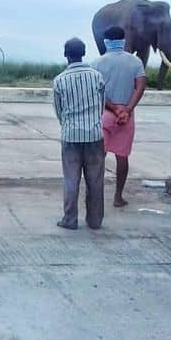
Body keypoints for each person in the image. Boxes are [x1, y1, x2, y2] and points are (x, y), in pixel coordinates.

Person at [53, 38, 106, 230]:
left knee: (71, 180)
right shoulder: (97, 76)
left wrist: (68, 125)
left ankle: (70, 219)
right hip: (94, 135)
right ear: (83, 53)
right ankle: (94, 220)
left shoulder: (59, 80)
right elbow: (101, 105)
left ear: (65, 54)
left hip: (70, 136)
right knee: (96, 180)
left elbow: (58, 110)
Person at [92, 26, 146, 208]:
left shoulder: (97, 63)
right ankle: (118, 197)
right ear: (123, 40)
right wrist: (127, 110)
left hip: (104, 113)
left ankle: (94, 194)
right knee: (122, 157)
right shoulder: (136, 62)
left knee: (99, 156)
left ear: (106, 41)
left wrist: (114, 108)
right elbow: (140, 87)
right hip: (126, 116)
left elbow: (96, 90)